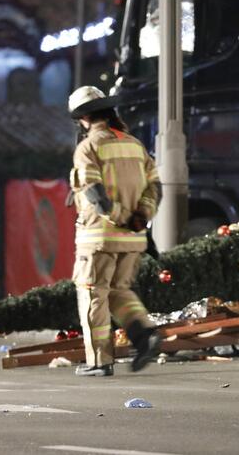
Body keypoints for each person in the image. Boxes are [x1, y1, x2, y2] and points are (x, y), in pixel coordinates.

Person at [67, 85, 162, 377]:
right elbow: (155, 188)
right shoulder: (134, 144)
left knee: (93, 295)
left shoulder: (89, 147)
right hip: (132, 239)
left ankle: (99, 361)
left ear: (83, 118)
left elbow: (95, 193)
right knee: (120, 291)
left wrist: (120, 216)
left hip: (98, 238)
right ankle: (145, 333)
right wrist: (140, 218)